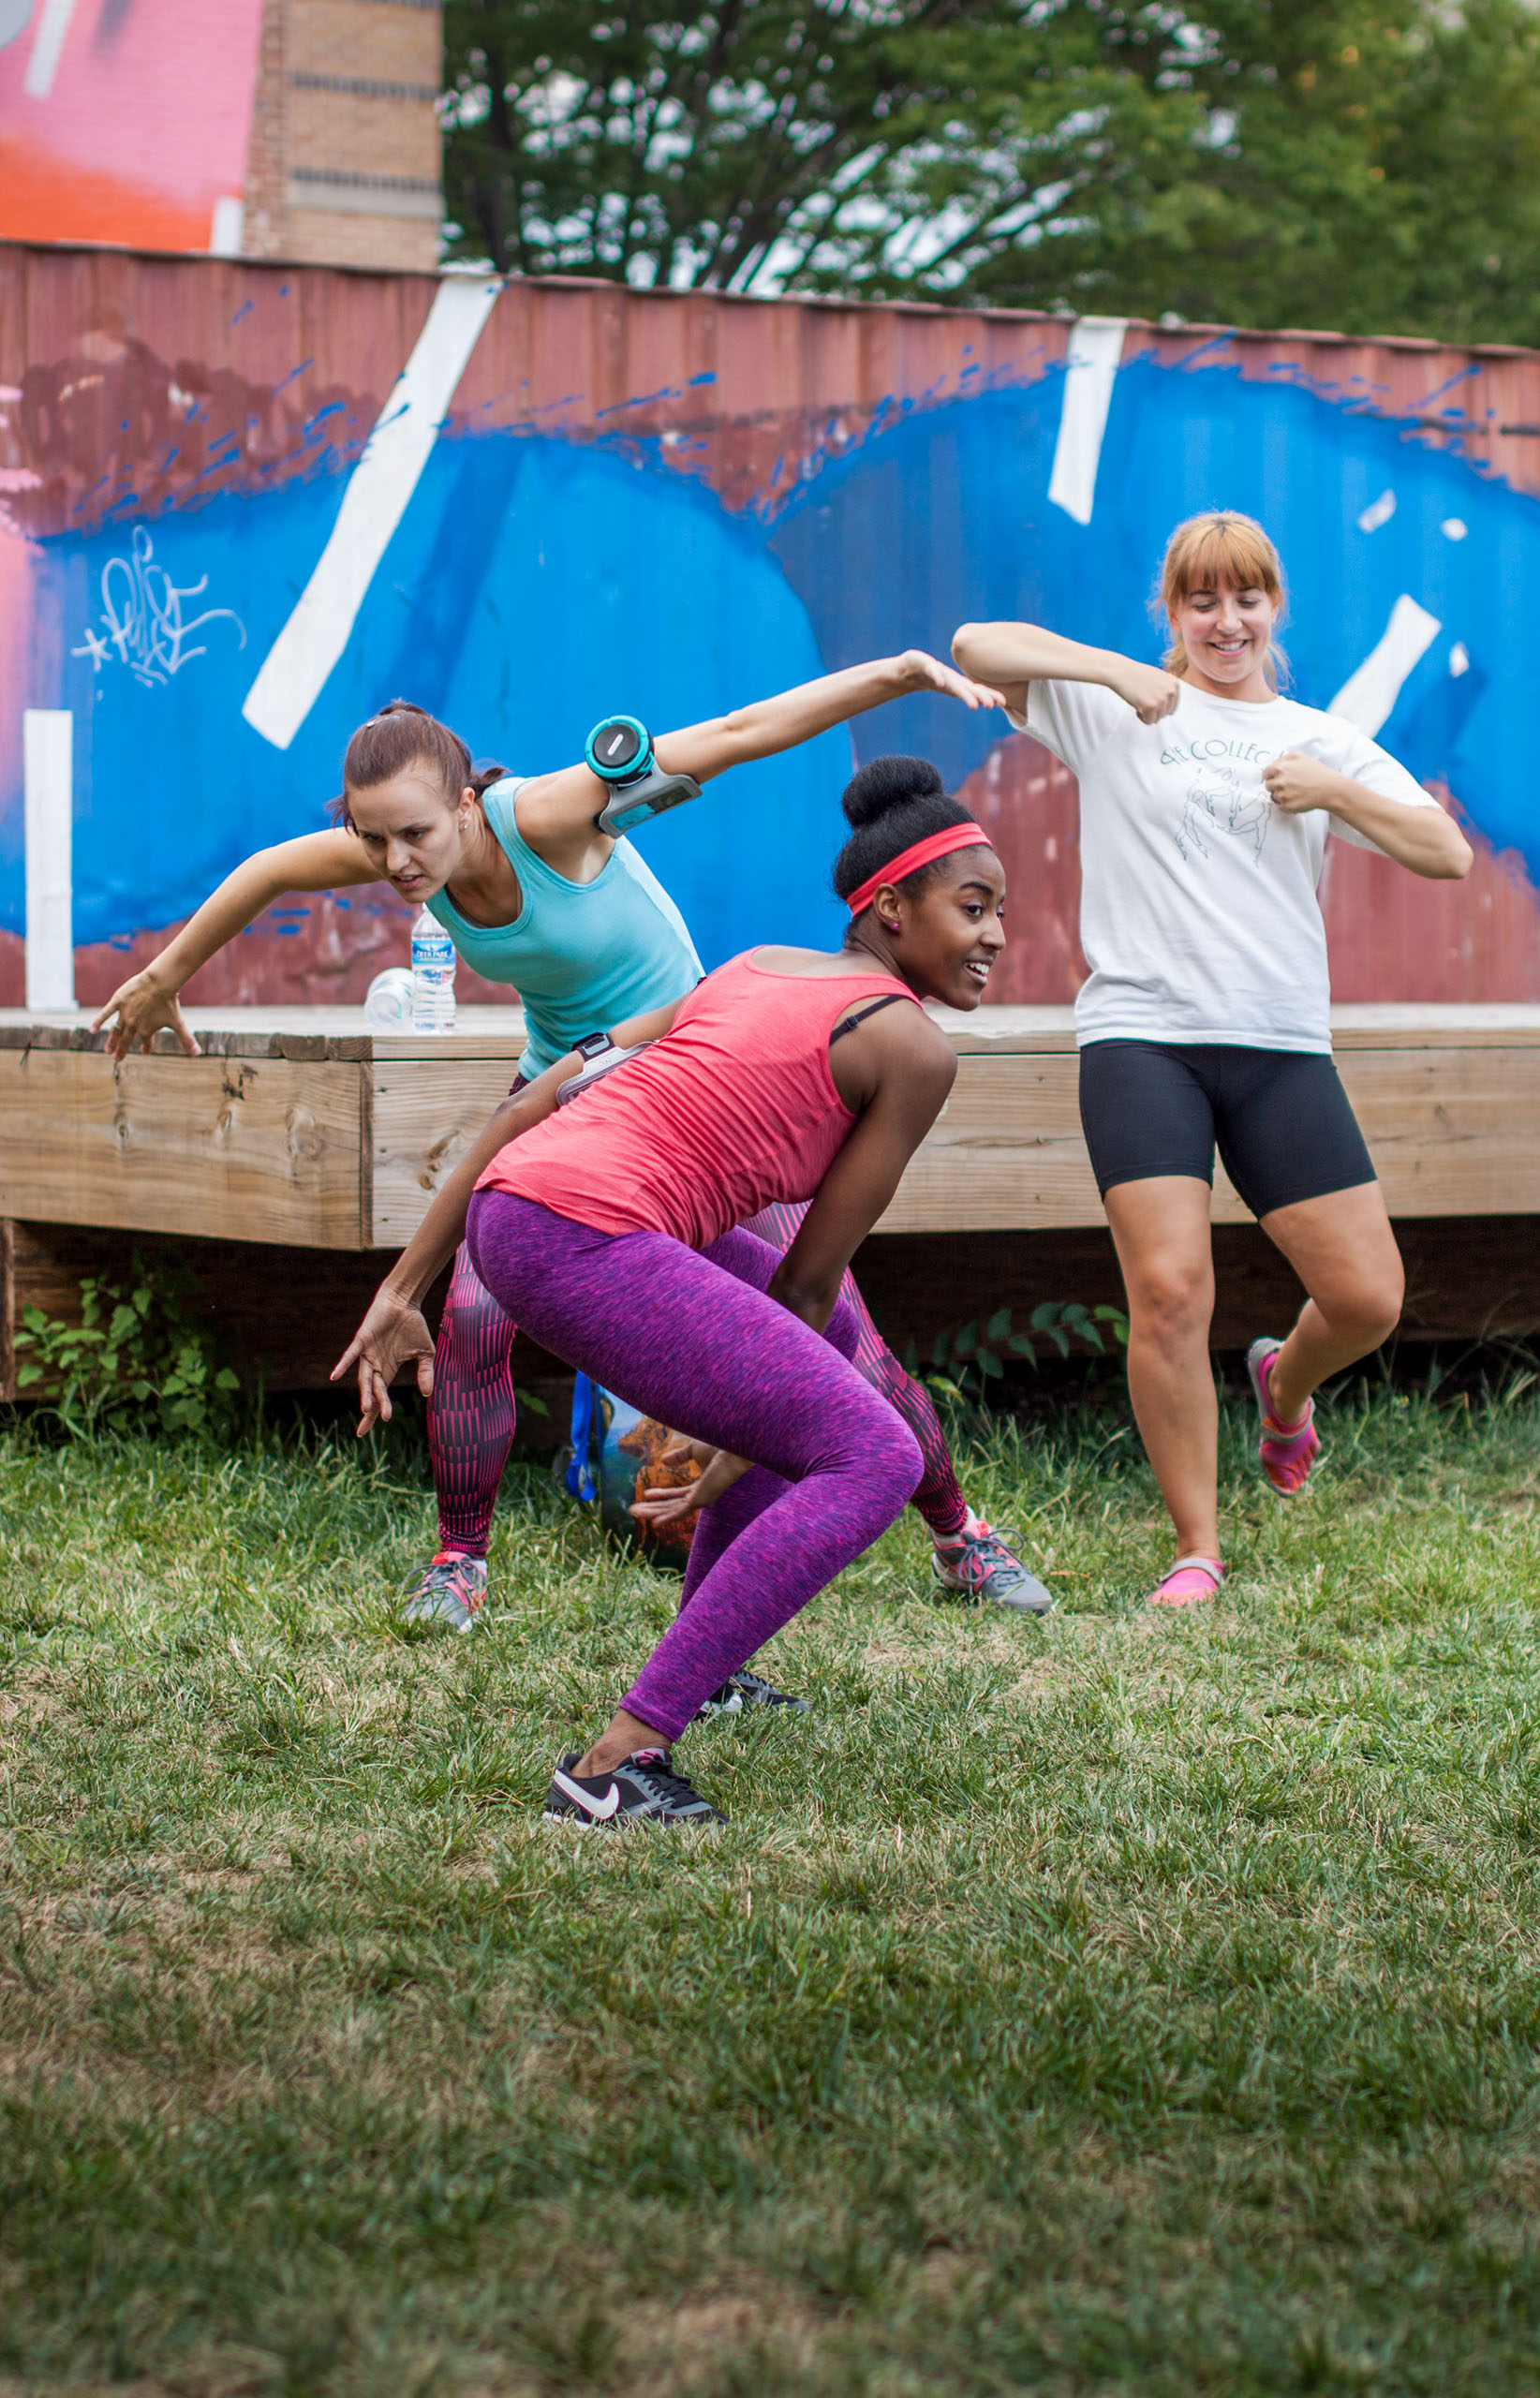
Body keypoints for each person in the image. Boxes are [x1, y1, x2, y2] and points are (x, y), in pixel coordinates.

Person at [94, 662, 1050, 1649]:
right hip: (566, 1078)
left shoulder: (551, 815)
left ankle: (960, 1536)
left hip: (690, 1081)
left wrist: (896, 673)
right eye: (373, 840)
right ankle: (460, 1559)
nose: (394, 861)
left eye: (413, 834)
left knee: (834, 1325)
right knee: (474, 1312)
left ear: (466, 806)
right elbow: (265, 871)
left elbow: (738, 730)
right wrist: (165, 976)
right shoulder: (399, 844)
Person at [335, 757, 1008, 1826]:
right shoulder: (912, 1047)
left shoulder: (756, 966)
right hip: (579, 1234)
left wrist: (407, 1282)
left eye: (1000, 912)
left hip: (520, 1208)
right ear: (891, 908)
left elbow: (536, 1102)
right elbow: (804, 1277)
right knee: (873, 1453)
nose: (996, 936)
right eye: (973, 908)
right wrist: (731, 1453)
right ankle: (612, 1764)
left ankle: (715, 1670)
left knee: (838, 1341)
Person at [953, 511, 1473, 1608]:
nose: (1226, 621)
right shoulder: (1115, 709)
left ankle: (1284, 1387)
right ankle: (1198, 1547)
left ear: (1274, 607)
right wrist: (1114, 672)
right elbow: (973, 646)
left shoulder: (1316, 737)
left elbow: (1446, 851)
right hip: (1142, 1038)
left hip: (1279, 1045)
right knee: (1169, 1290)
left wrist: (1334, 792)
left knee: (1368, 1296)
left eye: (1246, 599)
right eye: (1202, 601)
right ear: (1174, 611)